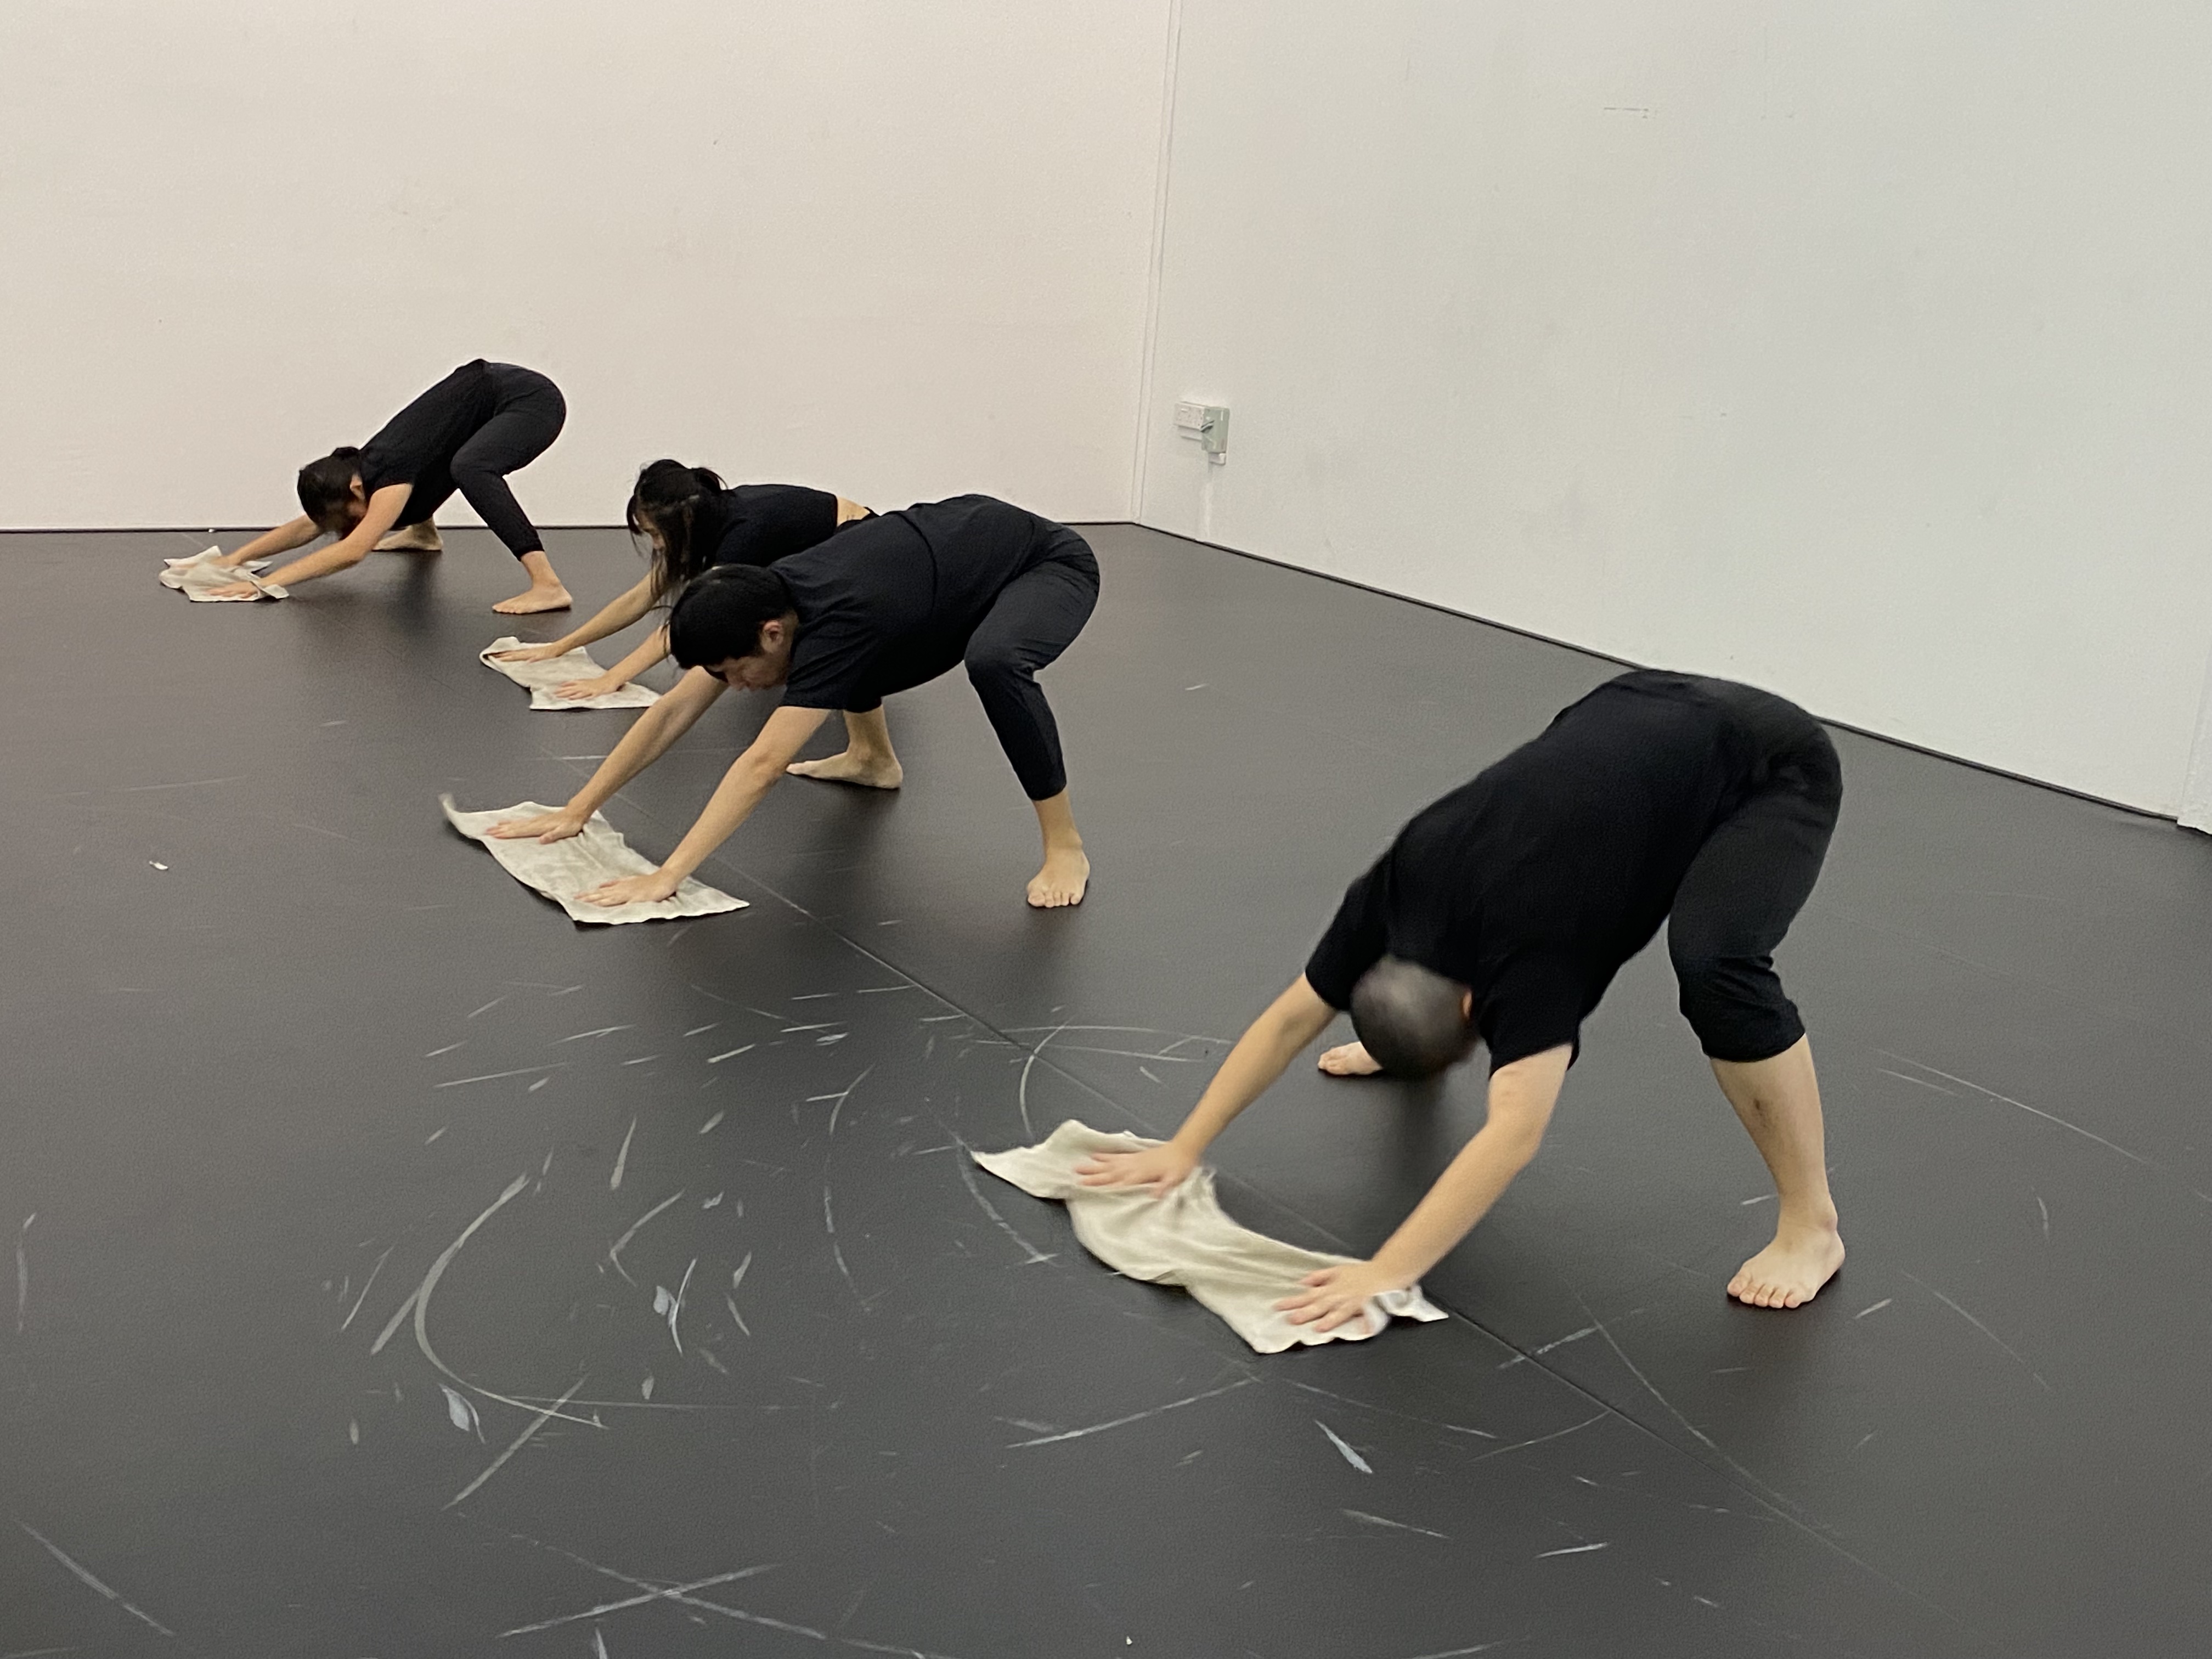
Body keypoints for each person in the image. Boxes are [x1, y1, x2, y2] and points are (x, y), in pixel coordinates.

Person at [1077, 670, 1847, 1324]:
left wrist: (1384, 1272)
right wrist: (1182, 1146)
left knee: (1715, 963)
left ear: (1479, 1013)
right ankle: (1411, 1045)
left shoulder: (1536, 959)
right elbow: (1292, 1020)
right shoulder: (1398, 882)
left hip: (1773, 765)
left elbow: (1512, 1133)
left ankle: (1812, 1223)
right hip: (1632, 701)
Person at [488, 494, 1099, 907]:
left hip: (1043, 564)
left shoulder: (833, 623)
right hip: (940, 570)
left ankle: (1063, 843)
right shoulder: (767, 601)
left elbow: (761, 764)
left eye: (735, 673)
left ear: (771, 634)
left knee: (994, 661)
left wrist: (666, 877)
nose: (736, 688)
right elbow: (673, 707)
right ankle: (872, 759)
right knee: (846, 657)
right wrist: (578, 808)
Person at [487, 460, 872, 702]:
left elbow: (687, 627)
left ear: (683, 522)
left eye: (656, 534)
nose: (656, 545)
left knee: (822, 639)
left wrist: (612, 678)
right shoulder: (707, 522)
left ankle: (867, 749)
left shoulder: (740, 538)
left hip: (857, 541)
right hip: (816, 547)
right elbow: (640, 598)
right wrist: (561, 647)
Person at [205, 360, 571, 613]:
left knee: (471, 467)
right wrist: (234, 560)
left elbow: (354, 551)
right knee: (441, 460)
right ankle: (424, 536)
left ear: (355, 489)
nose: (342, 528)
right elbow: (310, 523)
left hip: (531, 401)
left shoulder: (388, 473)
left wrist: (266, 584)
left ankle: (548, 584)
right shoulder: (360, 472)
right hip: (488, 397)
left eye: (344, 516)